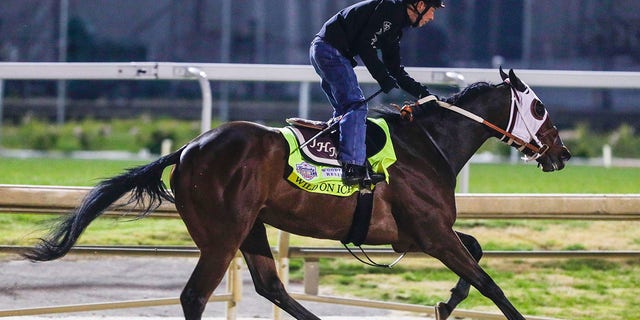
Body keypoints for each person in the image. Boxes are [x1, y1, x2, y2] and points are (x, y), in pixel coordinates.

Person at [310, 0, 444, 186]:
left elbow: (396, 71)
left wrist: (424, 95)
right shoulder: (390, 9)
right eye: (433, 10)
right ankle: (353, 168)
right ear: (420, 5)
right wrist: (382, 77)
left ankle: (336, 161)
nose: (432, 17)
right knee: (355, 106)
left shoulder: (395, 27)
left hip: (325, 48)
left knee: (345, 111)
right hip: (330, 50)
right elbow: (364, 44)